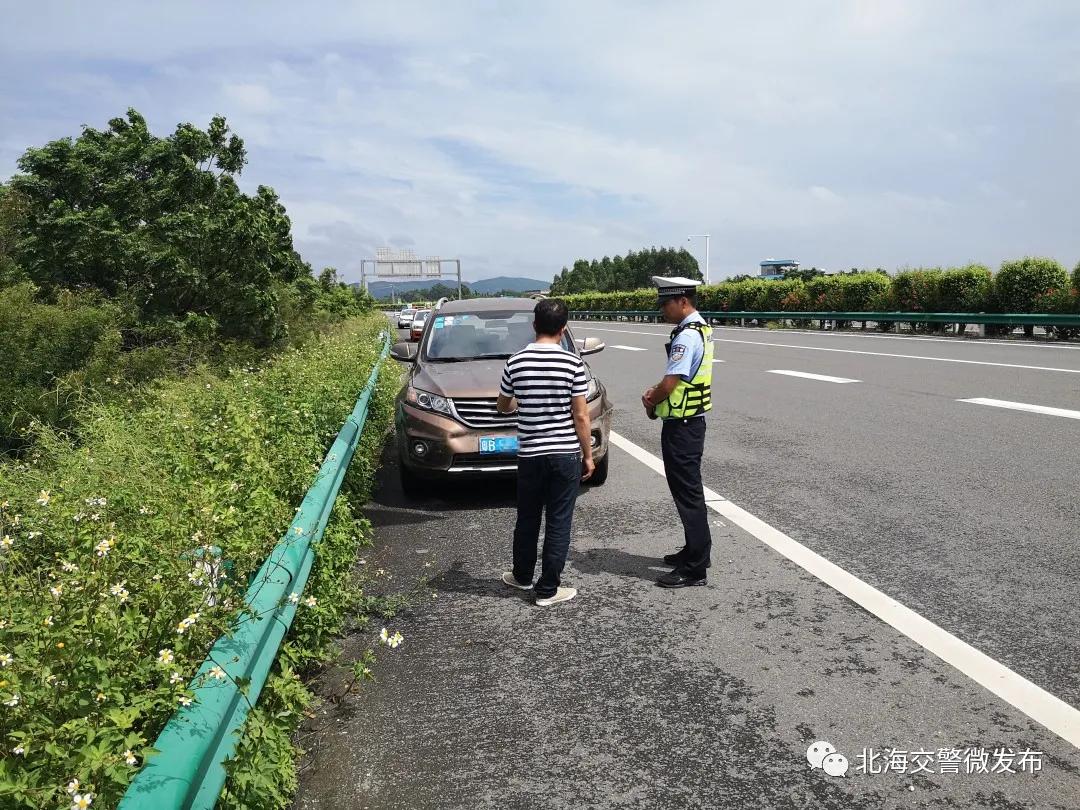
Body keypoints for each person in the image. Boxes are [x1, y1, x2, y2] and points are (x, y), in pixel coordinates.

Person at [496, 298, 594, 606]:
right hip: (564, 455)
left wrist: (519, 400)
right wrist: (587, 454)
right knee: (559, 520)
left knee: (527, 517)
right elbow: (580, 415)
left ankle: (522, 576)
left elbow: (503, 406)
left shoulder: (516, 362)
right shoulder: (572, 363)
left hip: (530, 455)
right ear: (563, 328)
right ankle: (548, 589)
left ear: (534, 325)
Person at [641, 275, 714, 588]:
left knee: (688, 494)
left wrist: (650, 400)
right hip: (689, 422)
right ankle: (694, 551)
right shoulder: (699, 328)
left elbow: (671, 382)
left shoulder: (687, 336)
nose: (662, 310)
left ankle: (695, 568)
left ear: (683, 301)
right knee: (688, 491)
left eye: (666, 303)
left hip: (683, 426)